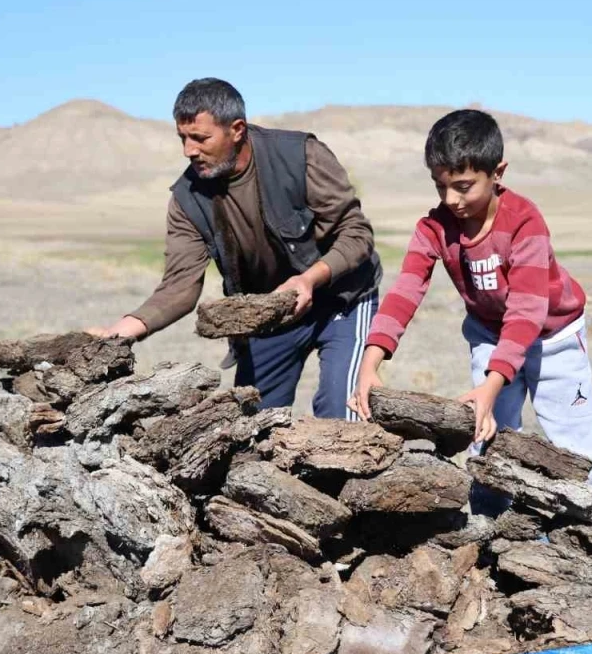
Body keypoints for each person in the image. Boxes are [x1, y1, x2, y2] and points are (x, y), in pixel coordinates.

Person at [90, 78, 382, 419]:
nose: (189, 150)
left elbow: (356, 234)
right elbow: (180, 286)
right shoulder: (188, 198)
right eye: (182, 138)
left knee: (341, 414)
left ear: (237, 129)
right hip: (271, 313)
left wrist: (309, 280)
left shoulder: (300, 156)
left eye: (200, 138)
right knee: (251, 427)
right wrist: (119, 332)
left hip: (342, 298)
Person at [348, 109, 592, 486]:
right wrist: (370, 363)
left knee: (578, 450)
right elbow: (405, 292)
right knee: (487, 439)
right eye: (441, 187)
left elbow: (526, 312)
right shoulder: (434, 228)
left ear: (497, 173)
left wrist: (492, 386)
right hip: (490, 335)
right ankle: (493, 534)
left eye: (464, 186)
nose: (451, 200)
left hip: (555, 339)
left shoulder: (524, 222)